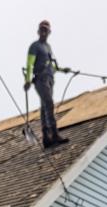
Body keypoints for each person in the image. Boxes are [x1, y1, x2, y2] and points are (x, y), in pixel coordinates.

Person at [24, 19, 69, 149]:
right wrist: (27, 80)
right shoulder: (35, 46)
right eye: (42, 29)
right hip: (40, 80)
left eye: (46, 30)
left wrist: (62, 70)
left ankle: (46, 138)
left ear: (49, 32)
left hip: (50, 79)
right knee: (49, 103)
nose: (43, 32)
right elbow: (29, 64)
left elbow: (51, 66)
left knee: (44, 107)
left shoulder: (48, 47)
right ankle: (54, 133)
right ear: (38, 31)